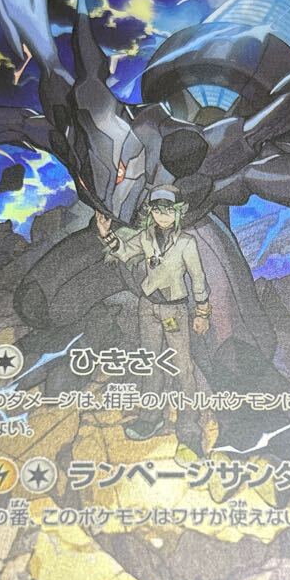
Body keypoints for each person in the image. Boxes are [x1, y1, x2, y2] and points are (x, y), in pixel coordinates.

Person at [95, 186, 210, 447]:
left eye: (168, 211)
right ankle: (150, 417)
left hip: (174, 310)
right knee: (150, 363)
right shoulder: (145, 237)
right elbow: (124, 252)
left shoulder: (186, 243)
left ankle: (189, 425)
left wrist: (202, 312)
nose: (162, 216)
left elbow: (198, 278)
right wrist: (106, 234)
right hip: (147, 306)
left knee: (182, 367)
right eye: (157, 211)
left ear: (178, 212)